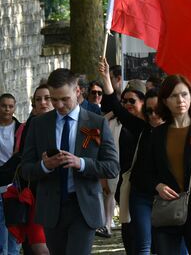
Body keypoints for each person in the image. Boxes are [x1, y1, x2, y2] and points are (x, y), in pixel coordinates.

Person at [20, 68, 119, 254]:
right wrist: (44, 166)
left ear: (77, 91)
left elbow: (112, 167)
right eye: (54, 99)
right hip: (51, 208)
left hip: (83, 207)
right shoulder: (38, 124)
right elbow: (25, 169)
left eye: (64, 99)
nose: (58, 105)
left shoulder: (96, 123)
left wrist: (81, 163)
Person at [150, 75, 191, 254]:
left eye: (184, 94)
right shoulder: (156, 134)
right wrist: (157, 185)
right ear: (164, 101)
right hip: (167, 211)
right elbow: (142, 173)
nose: (180, 100)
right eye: (173, 96)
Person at [99, 59, 157, 253]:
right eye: (125, 101)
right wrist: (106, 78)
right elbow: (115, 106)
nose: (127, 105)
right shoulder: (132, 126)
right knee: (134, 241)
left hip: (159, 193)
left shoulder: (161, 129)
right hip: (131, 189)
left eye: (132, 101)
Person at [13, 86, 53, 255]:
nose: (43, 103)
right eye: (38, 99)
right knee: (37, 246)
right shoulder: (30, 125)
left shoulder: (66, 123)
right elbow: (22, 161)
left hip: (61, 196)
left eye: (47, 98)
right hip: (35, 194)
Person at [0, 93, 23, 255]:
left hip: (13, 182)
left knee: (14, 225)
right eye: (3, 106)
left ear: (15, 107)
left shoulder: (20, 128)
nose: (7, 109)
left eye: (10, 106)